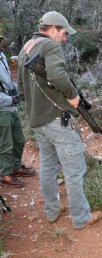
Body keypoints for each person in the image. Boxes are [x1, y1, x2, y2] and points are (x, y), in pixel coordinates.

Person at [17, 11, 102, 229]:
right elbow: (56, 75)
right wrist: (73, 96)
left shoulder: (26, 47)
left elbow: (21, 90)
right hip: (58, 120)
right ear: (54, 28)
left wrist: (36, 109)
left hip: (38, 122)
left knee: (48, 166)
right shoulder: (50, 46)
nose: (65, 38)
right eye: (64, 33)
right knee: (74, 169)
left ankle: (52, 211)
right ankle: (81, 218)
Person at [0, 35, 36, 188]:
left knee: (19, 139)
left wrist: (16, 91)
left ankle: (15, 165)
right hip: (2, 109)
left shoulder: (1, 56)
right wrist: (8, 100)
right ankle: (5, 174)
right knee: (5, 144)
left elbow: (7, 80)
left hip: (11, 106)